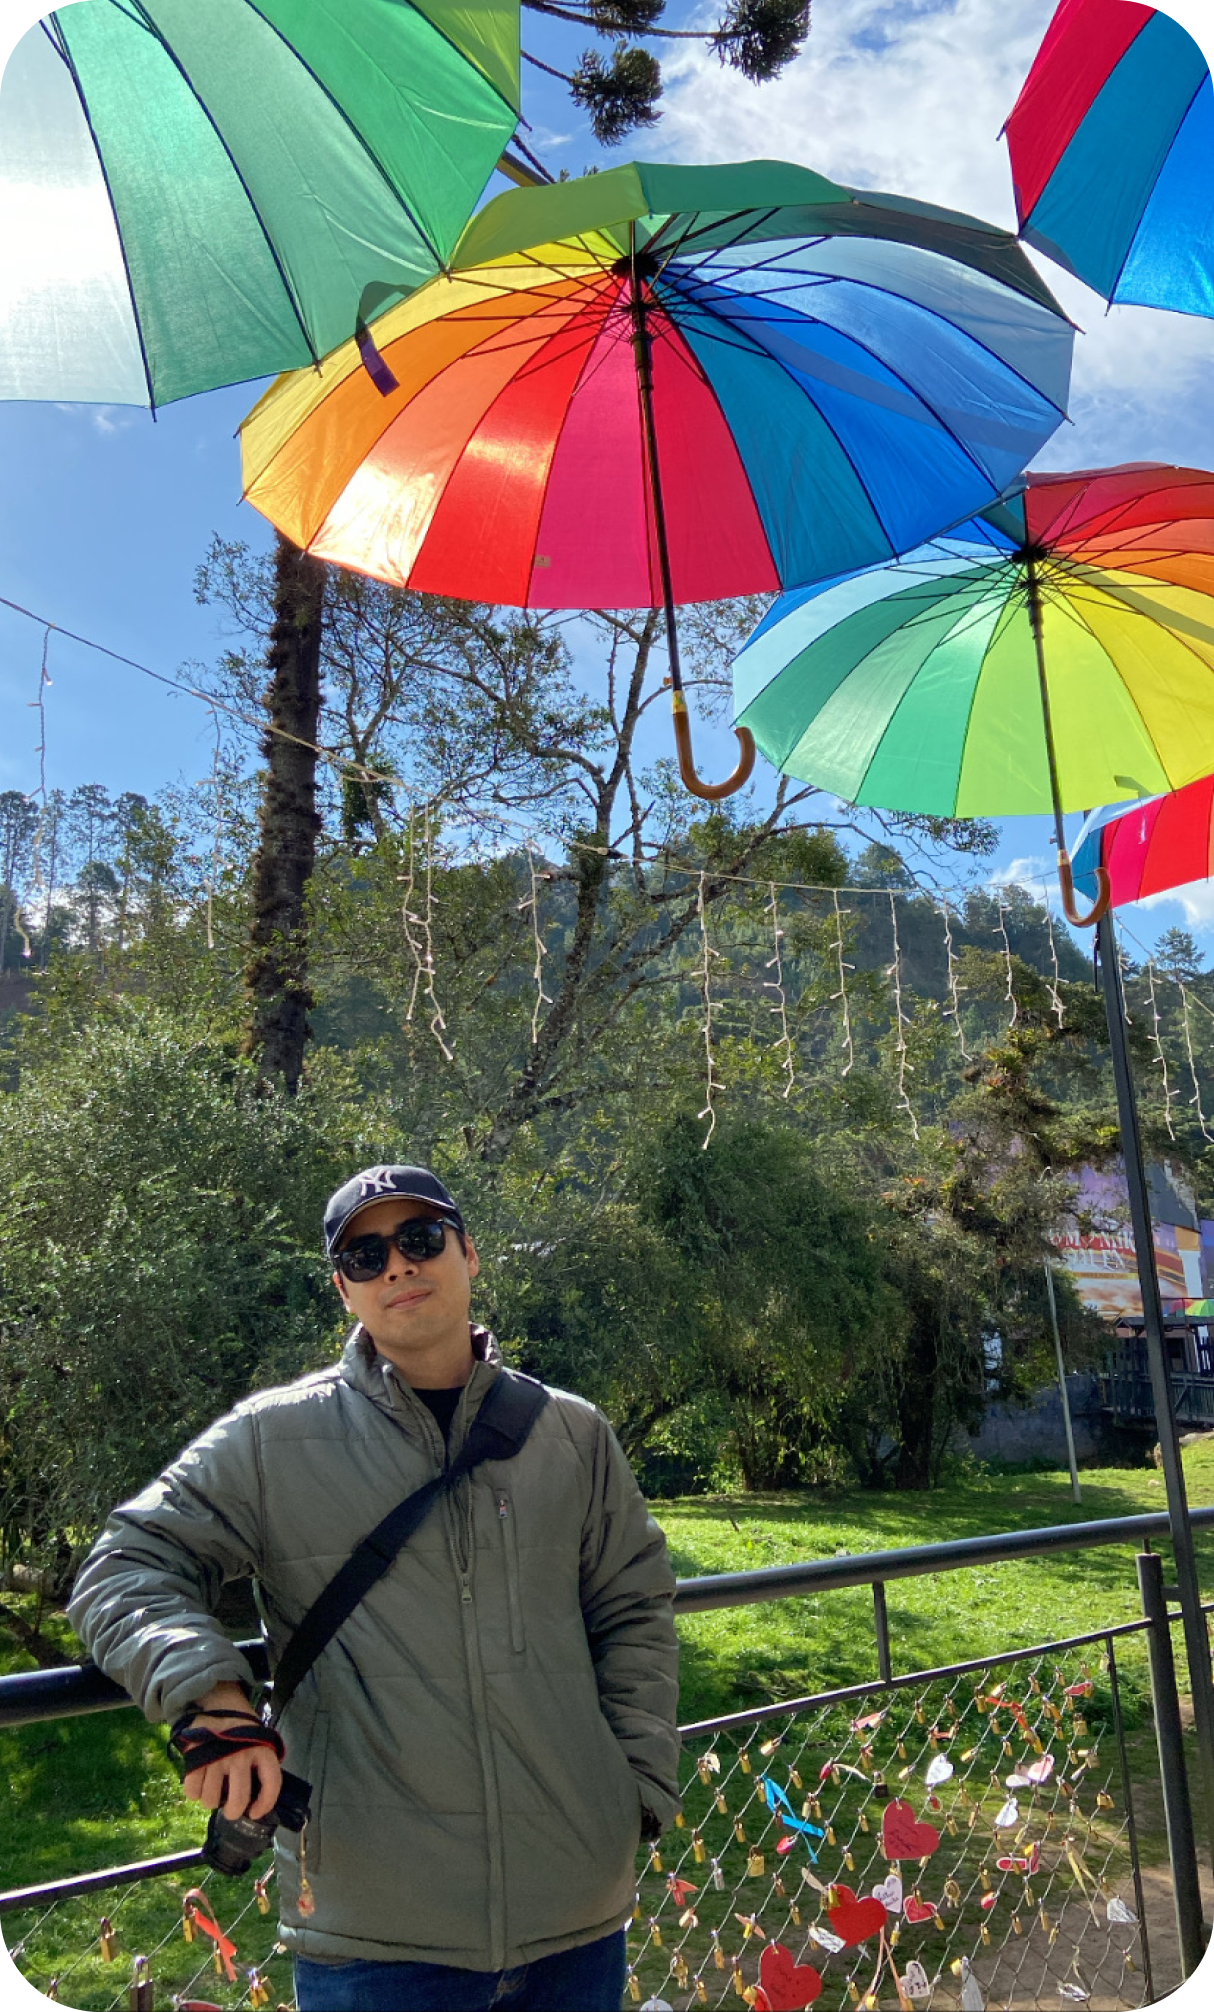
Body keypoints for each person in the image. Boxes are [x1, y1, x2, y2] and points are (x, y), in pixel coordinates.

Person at [69, 1164, 681, 2011]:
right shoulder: (271, 1439)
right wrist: (213, 1695)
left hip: (576, 1912)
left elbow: (634, 1607)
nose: (397, 1265)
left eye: (420, 1238)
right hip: (376, 1936)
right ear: (343, 1289)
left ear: (468, 1253)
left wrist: (636, 1790)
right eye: (365, 1255)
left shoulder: (571, 1433)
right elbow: (125, 1563)